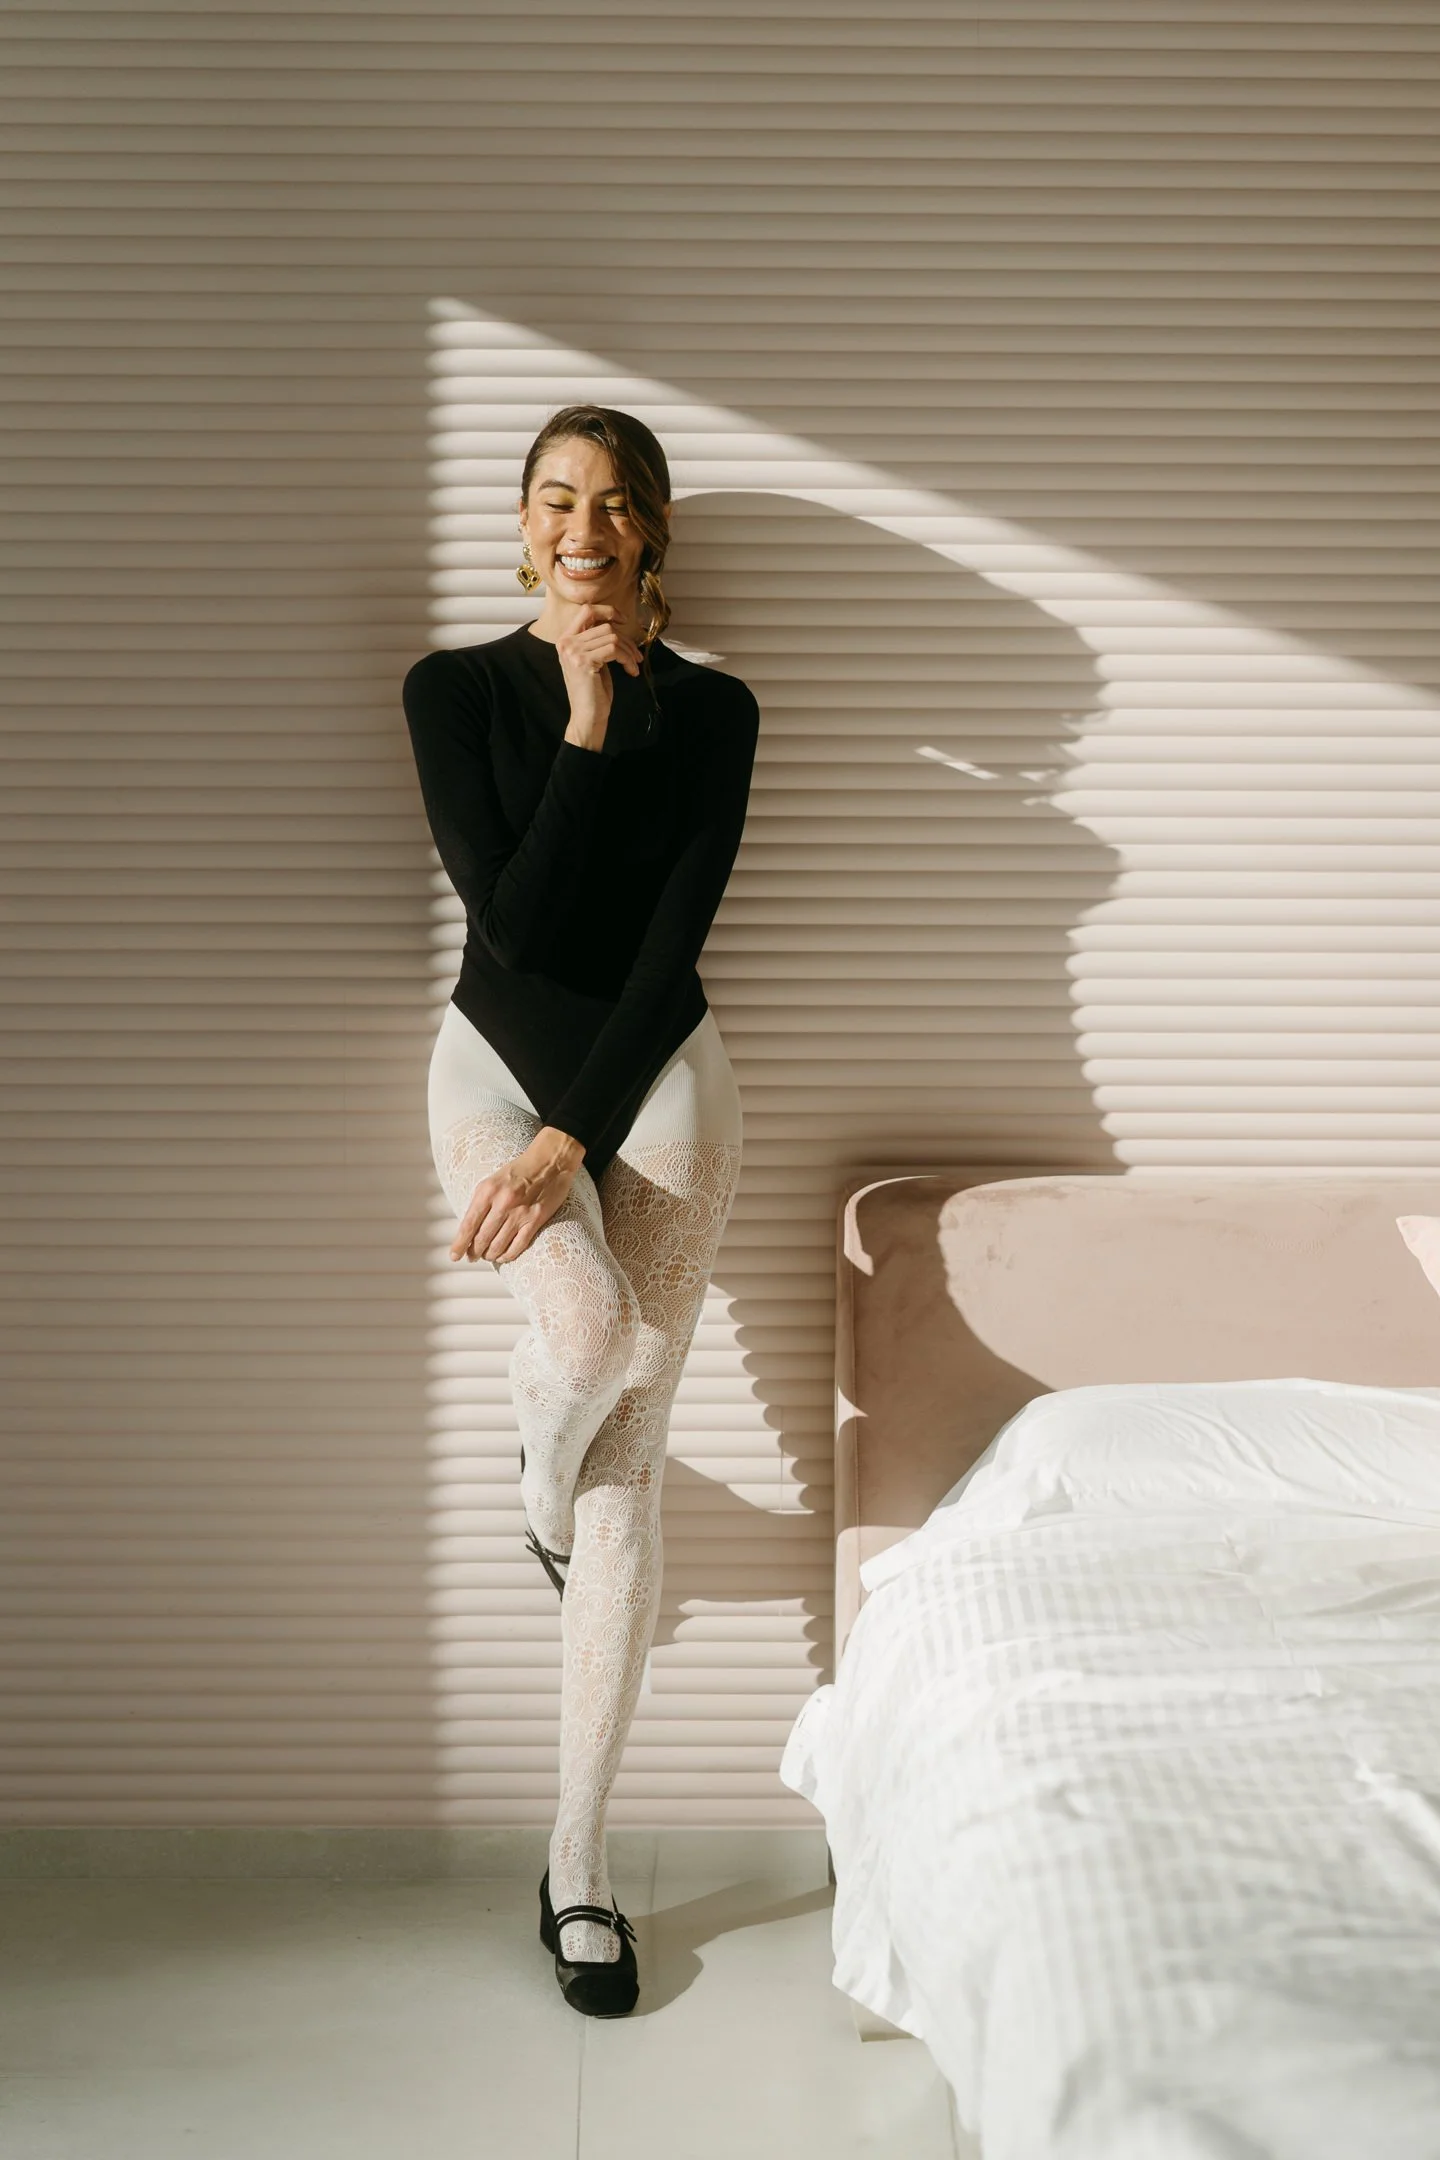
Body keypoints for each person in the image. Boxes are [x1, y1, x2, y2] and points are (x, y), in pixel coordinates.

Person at [401, 404, 759, 2017]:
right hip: (492, 1059)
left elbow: (666, 948)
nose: (585, 527)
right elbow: (519, 928)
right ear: (524, 523)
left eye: (615, 503)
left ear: (652, 528)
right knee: (592, 1334)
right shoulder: (457, 690)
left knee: (631, 1472)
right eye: (558, 498)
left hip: (660, 1070)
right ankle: (536, 1488)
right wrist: (588, 715)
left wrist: (576, 1139)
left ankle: (580, 1867)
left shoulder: (721, 710)